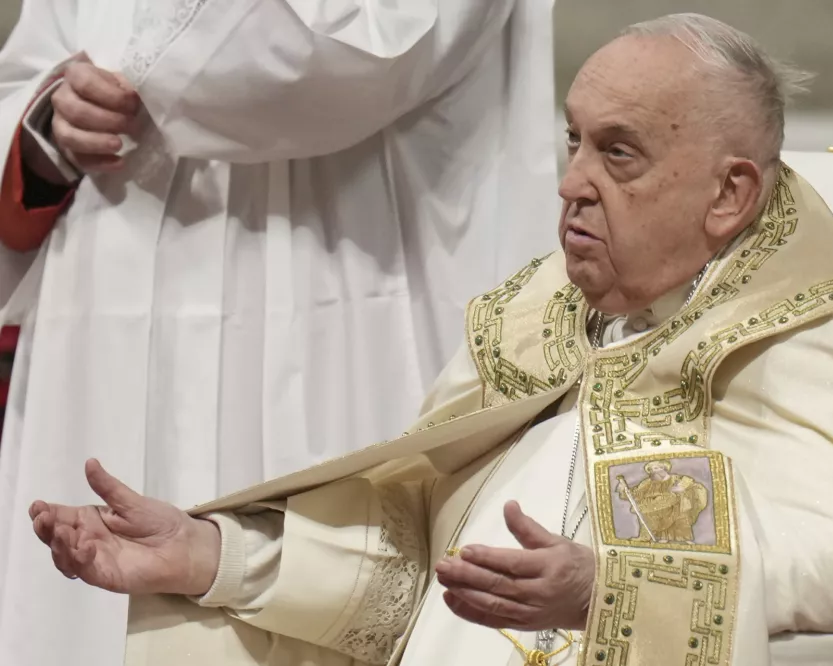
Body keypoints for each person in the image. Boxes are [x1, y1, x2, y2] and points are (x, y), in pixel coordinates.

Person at [29, 13, 833, 666]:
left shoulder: (824, 336)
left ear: (730, 193)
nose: (572, 182)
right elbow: (415, 579)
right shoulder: (537, 325)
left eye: (618, 153)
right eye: (571, 141)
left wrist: (614, 589)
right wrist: (213, 558)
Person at [0, 1, 558, 665]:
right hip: (109, 305)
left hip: (340, 298)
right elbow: (37, 64)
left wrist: (134, 73)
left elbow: (345, 58)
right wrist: (50, 120)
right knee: (83, 613)